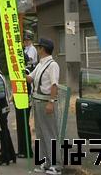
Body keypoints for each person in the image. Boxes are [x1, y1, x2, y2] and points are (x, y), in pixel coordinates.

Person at [25, 38, 61, 175]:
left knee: (50, 134)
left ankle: (56, 165)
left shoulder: (52, 65)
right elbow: (31, 78)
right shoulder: (40, 64)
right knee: (40, 134)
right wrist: (18, 73)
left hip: (46, 102)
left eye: (39, 47)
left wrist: (51, 102)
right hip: (37, 101)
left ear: (43, 49)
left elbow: (54, 85)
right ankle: (46, 163)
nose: (37, 49)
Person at [15, 55, 34, 159]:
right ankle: (21, 150)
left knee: (24, 126)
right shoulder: (21, 71)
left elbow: (26, 88)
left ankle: (27, 151)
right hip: (19, 101)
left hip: (25, 102)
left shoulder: (26, 71)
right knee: (20, 126)